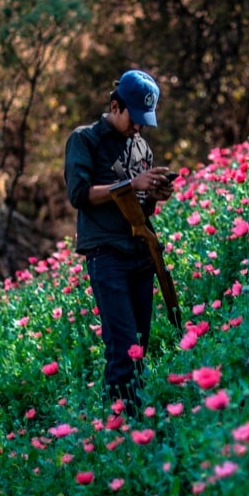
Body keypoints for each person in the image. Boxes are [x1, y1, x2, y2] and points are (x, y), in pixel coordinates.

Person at [64, 69, 174, 417]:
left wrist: (155, 193)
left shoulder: (142, 147)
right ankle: (118, 425)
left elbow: (140, 206)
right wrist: (131, 184)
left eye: (145, 121)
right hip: (106, 255)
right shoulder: (85, 140)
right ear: (115, 106)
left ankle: (136, 418)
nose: (138, 127)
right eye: (134, 119)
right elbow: (79, 194)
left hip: (140, 253)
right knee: (122, 346)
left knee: (140, 345)